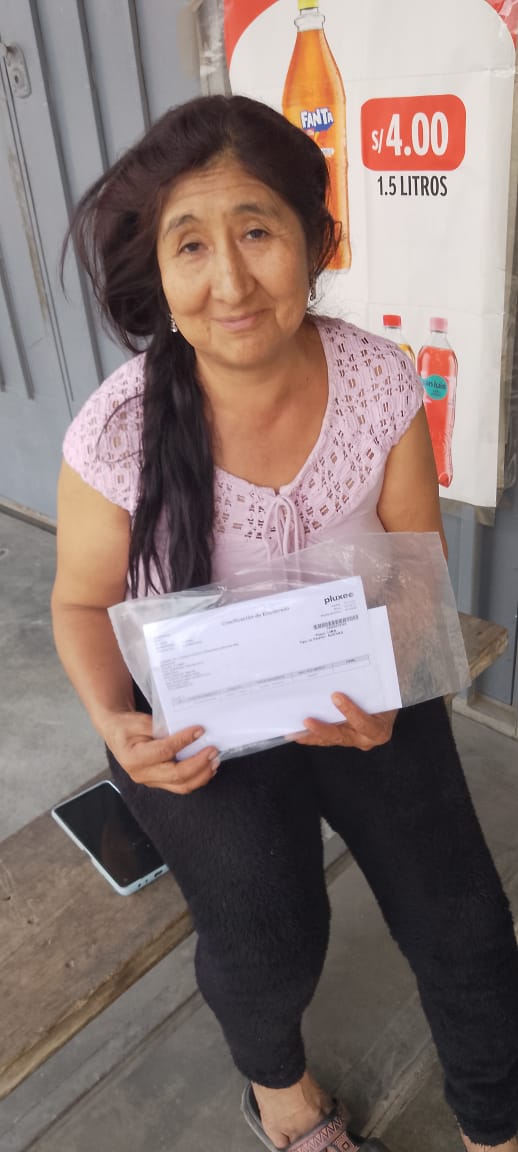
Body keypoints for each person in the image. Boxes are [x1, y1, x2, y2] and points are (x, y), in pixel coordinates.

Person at [52, 94, 518, 1152]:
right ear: (159, 270)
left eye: (257, 231)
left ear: (316, 242)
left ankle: (494, 1125)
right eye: (190, 244)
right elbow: (79, 602)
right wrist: (117, 724)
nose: (229, 281)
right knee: (268, 931)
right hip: (196, 723)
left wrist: (391, 688)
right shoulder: (117, 431)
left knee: (463, 921)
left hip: (359, 681)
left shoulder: (376, 383)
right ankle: (281, 1097)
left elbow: (414, 565)